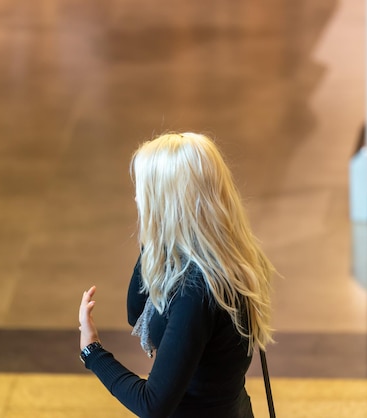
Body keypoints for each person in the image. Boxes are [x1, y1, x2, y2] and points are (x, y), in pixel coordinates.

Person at [78, 132, 275, 418]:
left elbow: (153, 404)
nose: (136, 197)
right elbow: (139, 314)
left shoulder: (197, 290)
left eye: (145, 189)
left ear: (168, 200)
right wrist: (155, 236)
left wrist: (92, 351)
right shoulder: (228, 257)